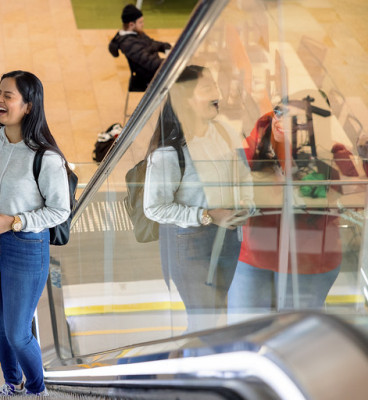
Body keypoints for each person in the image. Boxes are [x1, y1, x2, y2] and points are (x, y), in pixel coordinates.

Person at [0, 70, 70, 396]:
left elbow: (60, 211)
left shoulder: (45, 158)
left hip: (25, 249)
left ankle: (36, 389)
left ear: (29, 106)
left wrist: (13, 222)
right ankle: (13, 384)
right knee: (0, 326)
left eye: (8, 96)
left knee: (18, 331)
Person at [143, 65, 254, 333]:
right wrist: (207, 215)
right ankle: (194, 364)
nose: (218, 93)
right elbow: (154, 208)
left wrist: (246, 203)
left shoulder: (225, 132)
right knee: (203, 321)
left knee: (218, 313)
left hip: (229, 236)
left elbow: (243, 175)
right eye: (207, 88)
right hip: (191, 244)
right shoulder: (169, 152)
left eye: (215, 85)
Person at [228, 107, 341, 322]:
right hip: (256, 253)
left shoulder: (327, 155)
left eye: (295, 116)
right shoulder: (257, 141)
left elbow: (346, 197)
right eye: (279, 111)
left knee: (295, 334)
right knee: (243, 330)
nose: (282, 119)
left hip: (307, 257)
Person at [108, 4, 172, 91]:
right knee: (189, 75)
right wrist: (172, 62)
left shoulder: (137, 33)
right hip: (148, 78)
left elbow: (152, 43)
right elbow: (150, 63)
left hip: (156, 71)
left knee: (192, 72)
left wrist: (166, 47)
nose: (143, 24)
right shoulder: (128, 44)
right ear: (131, 24)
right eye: (140, 22)